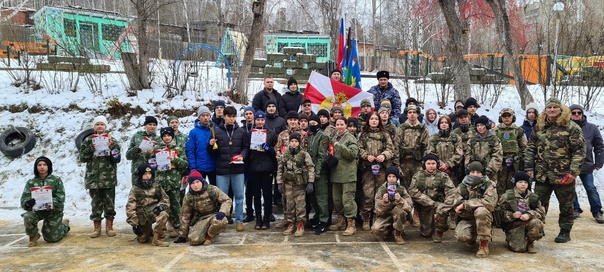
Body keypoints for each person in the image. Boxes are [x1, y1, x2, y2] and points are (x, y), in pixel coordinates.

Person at [525, 98, 586, 243]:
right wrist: (529, 167)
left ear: (561, 109)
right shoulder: (539, 127)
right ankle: (537, 228)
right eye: (549, 107)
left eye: (555, 107)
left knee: (566, 205)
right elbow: (530, 148)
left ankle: (565, 230)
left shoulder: (571, 127)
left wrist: (573, 172)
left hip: (563, 175)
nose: (552, 110)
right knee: (538, 203)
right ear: (545, 110)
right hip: (542, 175)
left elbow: (579, 151)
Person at [78, 116, 121, 238]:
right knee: (95, 203)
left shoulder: (112, 140)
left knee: (109, 203)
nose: (100, 127)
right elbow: (82, 158)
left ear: (106, 127)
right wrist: (92, 148)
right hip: (94, 178)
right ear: (94, 127)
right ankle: (97, 227)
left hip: (108, 177)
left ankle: (109, 226)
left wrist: (112, 147)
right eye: (97, 124)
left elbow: (117, 159)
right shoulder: (88, 141)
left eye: (102, 124)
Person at [444, 161, 497, 258]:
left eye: (478, 172)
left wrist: (466, 204)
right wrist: (462, 206)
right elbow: (456, 203)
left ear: (482, 173)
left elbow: (489, 203)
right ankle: (472, 236)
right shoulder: (462, 186)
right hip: (467, 218)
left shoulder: (489, 185)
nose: (475, 175)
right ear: (468, 172)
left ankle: (483, 244)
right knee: (461, 236)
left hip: (484, 219)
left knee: (481, 210)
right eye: (472, 172)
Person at [212, 106, 250, 232]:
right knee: (222, 198)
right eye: (229, 116)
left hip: (237, 169)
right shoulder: (216, 131)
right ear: (224, 117)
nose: (231, 119)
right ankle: (223, 221)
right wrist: (210, 144)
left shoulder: (241, 132)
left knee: (239, 196)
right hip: (222, 169)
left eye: (234, 116)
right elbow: (211, 152)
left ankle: (239, 220)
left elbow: (246, 147)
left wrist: (242, 155)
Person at [357, 112, 395, 231]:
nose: (374, 121)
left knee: (380, 192)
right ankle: (366, 217)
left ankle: (378, 216)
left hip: (381, 169)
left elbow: (390, 149)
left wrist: (384, 156)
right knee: (367, 194)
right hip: (368, 169)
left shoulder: (385, 135)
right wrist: (366, 156)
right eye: (372, 119)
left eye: (376, 119)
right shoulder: (363, 135)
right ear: (368, 121)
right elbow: (359, 148)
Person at [21, 156, 70, 247]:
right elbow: (24, 200)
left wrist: (49, 201)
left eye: (44, 164)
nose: (42, 167)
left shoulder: (56, 180)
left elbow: (60, 198)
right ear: (36, 167)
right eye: (39, 165)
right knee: (28, 216)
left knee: (51, 239)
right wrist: (28, 203)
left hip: (53, 211)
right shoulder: (31, 182)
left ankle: (64, 225)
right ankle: (33, 236)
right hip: (37, 210)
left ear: (49, 167)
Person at [173, 170, 232, 246]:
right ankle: (206, 230)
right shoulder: (188, 197)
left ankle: (209, 236)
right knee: (194, 241)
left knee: (221, 221)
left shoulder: (212, 190)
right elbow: (185, 216)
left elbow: (226, 200)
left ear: (202, 181)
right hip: (200, 219)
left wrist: (222, 212)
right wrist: (183, 235)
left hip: (213, 215)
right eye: (193, 183)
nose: (195, 185)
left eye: (197, 182)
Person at [149, 127, 188, 238]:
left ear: (172, 136)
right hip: (160, 182)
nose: (167, 138)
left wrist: (174, 159)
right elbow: (150, 164)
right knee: (161, 206)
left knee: (175, 206)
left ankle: (177, 226)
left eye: (169, 135)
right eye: (164, 136)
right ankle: (161, 228)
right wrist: (151, 156)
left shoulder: (178, 149)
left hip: (174, 182)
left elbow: (185, 164)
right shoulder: (157, 148)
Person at [427, 115, 464, 230]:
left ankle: (453, 217)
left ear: (449, 124)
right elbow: (430, 153)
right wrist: (439, 165)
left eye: (446, 123)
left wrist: (448, 164)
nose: (444, 124)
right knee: (439, 194)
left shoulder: (456, 138)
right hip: (438, 171)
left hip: (453, 171)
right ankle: (441, 217)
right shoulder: (433, 138)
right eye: (441, 122)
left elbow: (459, 154)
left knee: (453, 194)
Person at [569, 104, 604, 223]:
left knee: (591, 188)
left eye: (579, 112)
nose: (577, 115)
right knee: (570, 189)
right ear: (570, 114)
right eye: (574, 113)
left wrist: (599, 162)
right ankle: (575, 209)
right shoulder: (564, 127)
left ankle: (597, 211)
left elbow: (599, 147)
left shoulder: (592, 128)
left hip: (586, 164)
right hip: (569, 165)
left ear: (582, 114)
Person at [408, 154, 455, 242]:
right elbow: (412, 191)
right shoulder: (418, 176)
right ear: (424, 164)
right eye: (428, 163)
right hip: (424, 206)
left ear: (437, 164)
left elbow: (451, 192)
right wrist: (430, 202)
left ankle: (439, 230)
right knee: (427, 233)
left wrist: (446, 205)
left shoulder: (443, 176)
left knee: (441, 213)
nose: (431, 166)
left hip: (439, 205)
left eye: (433, 163)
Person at [495, 171, 545, 254]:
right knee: (519, 249)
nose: (523, 184)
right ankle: (513, 238)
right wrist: (512, 215)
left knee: (537, 223)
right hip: (514, 225)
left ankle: (530, 242)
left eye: (525, 182)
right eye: (520, 182)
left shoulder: (533, 197)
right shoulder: (507, 196)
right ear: (515, 183)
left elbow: (541, 212)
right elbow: (498, 212)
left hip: (529, 222)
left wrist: (529, 215)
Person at [277, 133, 315, 236]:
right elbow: (280, 169)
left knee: (300, 206)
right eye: (292, 141)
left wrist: (310, 182)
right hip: (288, 184)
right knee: (289, 205)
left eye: (296, 141)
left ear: (299, 142)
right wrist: (279, 183)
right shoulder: (285, 154)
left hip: (300, 184)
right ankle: (291, 223)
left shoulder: (304, 154)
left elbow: (310, 168)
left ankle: (300, 224)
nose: (294, 144)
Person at [328, 117, 359, 236]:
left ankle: (351, 224)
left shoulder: (350, 138)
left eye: (342, 124)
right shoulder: (335, 138)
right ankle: (341, 221)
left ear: (346, 125)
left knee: (348, 201)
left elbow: (353, 154)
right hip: (336, 174)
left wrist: (339, 146)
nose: (339, 127)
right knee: (337, 200)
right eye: (337, 124)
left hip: (348, 175)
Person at [247, 111, 278, 229]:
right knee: (256, 195)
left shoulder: (271, 134)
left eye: (262, 120)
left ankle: (266, 219)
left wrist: (268, 149)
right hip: (254, 168)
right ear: (255, 121)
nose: (260, 122)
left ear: (265, 120)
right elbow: (247, 150)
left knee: (267, 194)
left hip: (267, 168)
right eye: (258, 120)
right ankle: (258, 219)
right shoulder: (250, 133)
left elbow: (276, 152)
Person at [126, 164, 170, 247]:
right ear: (141, 175)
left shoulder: (156, 186)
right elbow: (130, 206)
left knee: (163, 215)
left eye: (149, 174)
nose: (147, 176)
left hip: (154, 212)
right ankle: (148, 231)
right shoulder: (135, 189)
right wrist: (134, 224)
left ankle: (157, 238)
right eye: (145, 174)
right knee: (143, 239)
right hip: (142, 216)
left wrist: (160, 207)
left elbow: (165, 199)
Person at [371, 165, 413, 245]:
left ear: (397, 178)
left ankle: (398, 233)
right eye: (389, 176)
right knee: (376, 229)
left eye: (394, 176)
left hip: (398, 215)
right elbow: (377, 209)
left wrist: (400, 200)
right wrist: (384, 202)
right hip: (386, 215)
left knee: (399, 211)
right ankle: (390, 230)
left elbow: (409, 206)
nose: (391, 178)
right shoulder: (382, 190)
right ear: (386, 177)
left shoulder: (401, 189)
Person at [494, 108, 527, 196]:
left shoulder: (518, 131)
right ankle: (500, 205)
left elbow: (524, 147)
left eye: (509, 116)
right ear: (501, 118)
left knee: (512, 184)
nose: (506, 118)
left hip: (514, 163)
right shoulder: (495, 131)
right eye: (504, 116)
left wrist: (524, 163)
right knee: (500, 184)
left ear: (513, 117)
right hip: (500, 163)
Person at [307, 114, 331, 234]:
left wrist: (318, 171)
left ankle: (324, 221)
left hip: (320, 172)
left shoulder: (323, 136)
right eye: (310, 124)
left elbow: (322, 155)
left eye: (314, 123)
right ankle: (317, 217)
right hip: (311, 172)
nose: (312, 126)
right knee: (313, 197)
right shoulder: (311, 137)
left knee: (321, 197)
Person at [396, 104, 429, 189]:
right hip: (404, 163)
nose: (412, 114)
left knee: (418, 188)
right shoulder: (401, 129)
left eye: (414, 112)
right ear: (406, 115)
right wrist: (397, 165)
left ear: (418, 114)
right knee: (405, 189)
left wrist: (425, 165)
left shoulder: (423, 129)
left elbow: (427, 148)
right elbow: (396, 147)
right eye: (410, 112)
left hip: (418, 163)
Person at [464, 115, 503, 183]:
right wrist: (469, 168)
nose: (479, 127)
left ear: (487, 125)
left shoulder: (494, 140)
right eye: (478, 126)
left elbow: (497, 157)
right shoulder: (472, 140)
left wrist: (488, 170)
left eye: (481, 125)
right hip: (474, 172)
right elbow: (467, 155)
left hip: (490, 174)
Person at [186, 106, 217, 186]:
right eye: (203, 116)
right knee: (198, 191)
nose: (205, 118)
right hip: (199, 167)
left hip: (214, 166)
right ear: (199, 118)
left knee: (215, 192)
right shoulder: (193, 132)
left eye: (207, 115)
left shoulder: (215, 130)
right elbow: (190, 150)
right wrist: (193, 167)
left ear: (210, 117)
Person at [126, 116, 160, 183]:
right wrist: (135, 150)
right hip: (138, 170)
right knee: (137, 192)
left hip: (152, 172)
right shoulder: (137, 137)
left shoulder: (158, 139)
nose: (152, 127)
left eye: (154, 125)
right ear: (145, 125)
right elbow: (128, 156)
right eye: (150, 124)